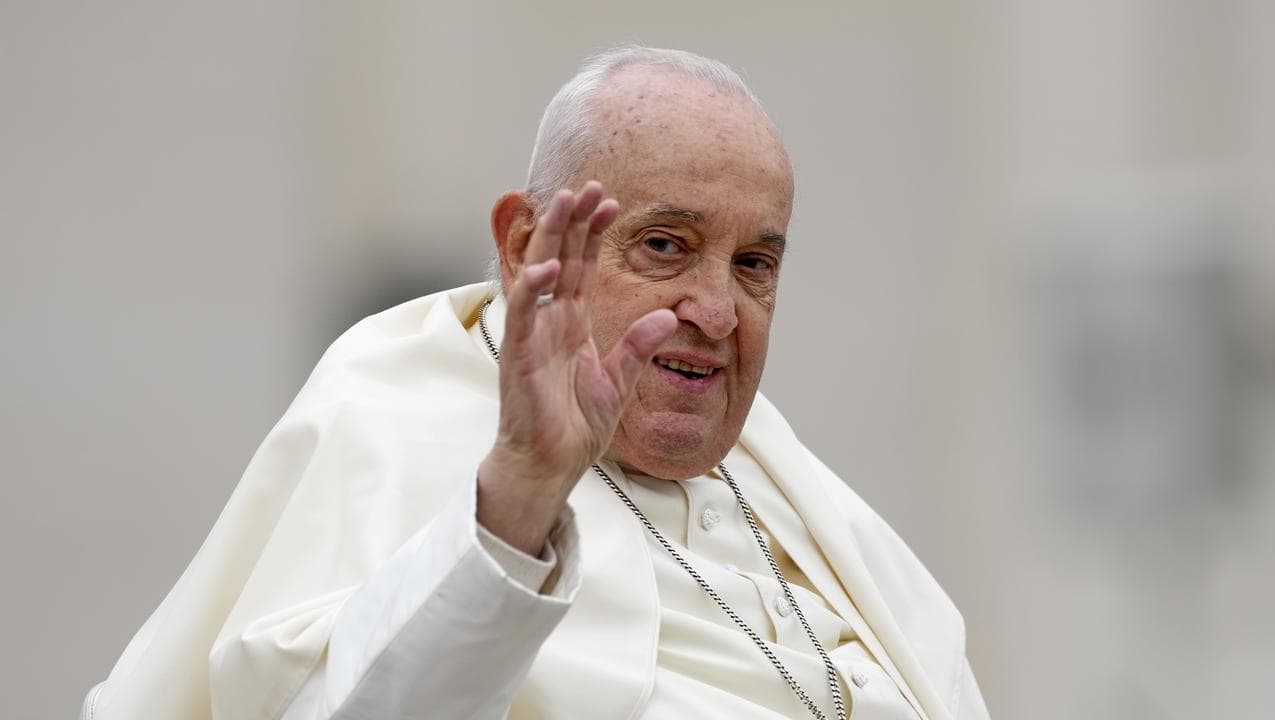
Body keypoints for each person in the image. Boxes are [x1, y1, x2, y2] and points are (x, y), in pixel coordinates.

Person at [82, 47, 989, 720]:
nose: (716, 309)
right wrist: (516, 501)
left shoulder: (790, 481)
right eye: (665, 245)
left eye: (754, 263)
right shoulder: (392, 404)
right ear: (524, 247)